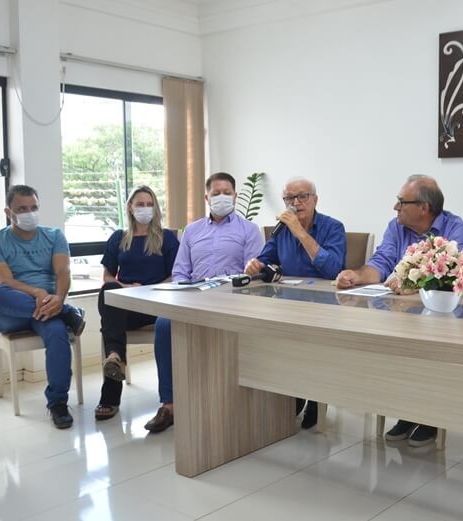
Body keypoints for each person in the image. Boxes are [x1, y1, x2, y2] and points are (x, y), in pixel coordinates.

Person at [336, 174, 463, 446]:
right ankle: (409, 411)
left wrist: (413, 283)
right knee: (391, 348)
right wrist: (357, 276)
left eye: (401, 202)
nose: (395, 207)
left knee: (430, 351)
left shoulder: (456, 228)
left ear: (424, 207)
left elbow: (453, 272)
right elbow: (382, 261)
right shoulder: (395, 227)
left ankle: (431, 417)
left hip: (443, 317)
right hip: (401, 314)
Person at [144, 172, 264, 433]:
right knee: (164, 324)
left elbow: (253, 276)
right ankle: (170, 404)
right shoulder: (192, 230)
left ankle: (226, 401)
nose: (222, 197)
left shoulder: (249, 230)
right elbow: (179, 272)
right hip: (193, 297)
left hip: (231, 300)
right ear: (206, 197)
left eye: (227, 192)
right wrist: (181, 295)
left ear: (235, 195)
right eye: (217, 193)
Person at [0, 185, 86, 429]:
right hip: (13, 311)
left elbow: (63, 271)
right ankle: (68, 313)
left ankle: (58, 404)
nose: (29, 213)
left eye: (34, 208)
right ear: (9, 212)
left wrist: (58, 297)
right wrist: (39, 293)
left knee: (58, 333)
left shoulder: (54, 236)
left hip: (49, 307)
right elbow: (3, 280)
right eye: (22, 209)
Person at [246, 177, 347, 429]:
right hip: (288, 302)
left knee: (310, 337)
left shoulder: (333, 227)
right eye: (289, 198)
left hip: (325, 305)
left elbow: (332, 269)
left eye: (302, 196)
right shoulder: (280, 230)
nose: (295, 203)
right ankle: (292, 390)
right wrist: (254, 265)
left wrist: (300, 232)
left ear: (315, 199)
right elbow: (265, 259)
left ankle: (315, 396)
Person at [95, 186, 179, 421]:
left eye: (149, 204)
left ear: (156, 208)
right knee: (108, 292)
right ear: (130, 208)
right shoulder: (118, 238)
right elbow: (108, 277)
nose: (144, 209)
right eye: (139, 204)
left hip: (157, 305)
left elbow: (177, 275)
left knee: (110, 326)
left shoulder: (167, 238)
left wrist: (146, 290)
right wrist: (127, 289)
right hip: (127, 305)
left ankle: (111, 381)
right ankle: (115, 358)